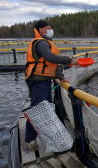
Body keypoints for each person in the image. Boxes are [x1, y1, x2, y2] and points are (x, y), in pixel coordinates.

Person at [24, 20, 79, 151]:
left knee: (47, 110)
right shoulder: (41, 42)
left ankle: (50, 139)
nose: (51, 30)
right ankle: (29, 139)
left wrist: (62, 77)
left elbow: (52, 66)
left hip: (44, 82)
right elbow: (50, 57)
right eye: (48, 28)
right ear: (41, 30)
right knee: (38, 110)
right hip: (38, 83)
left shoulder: (45, 42)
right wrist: (69, 60)